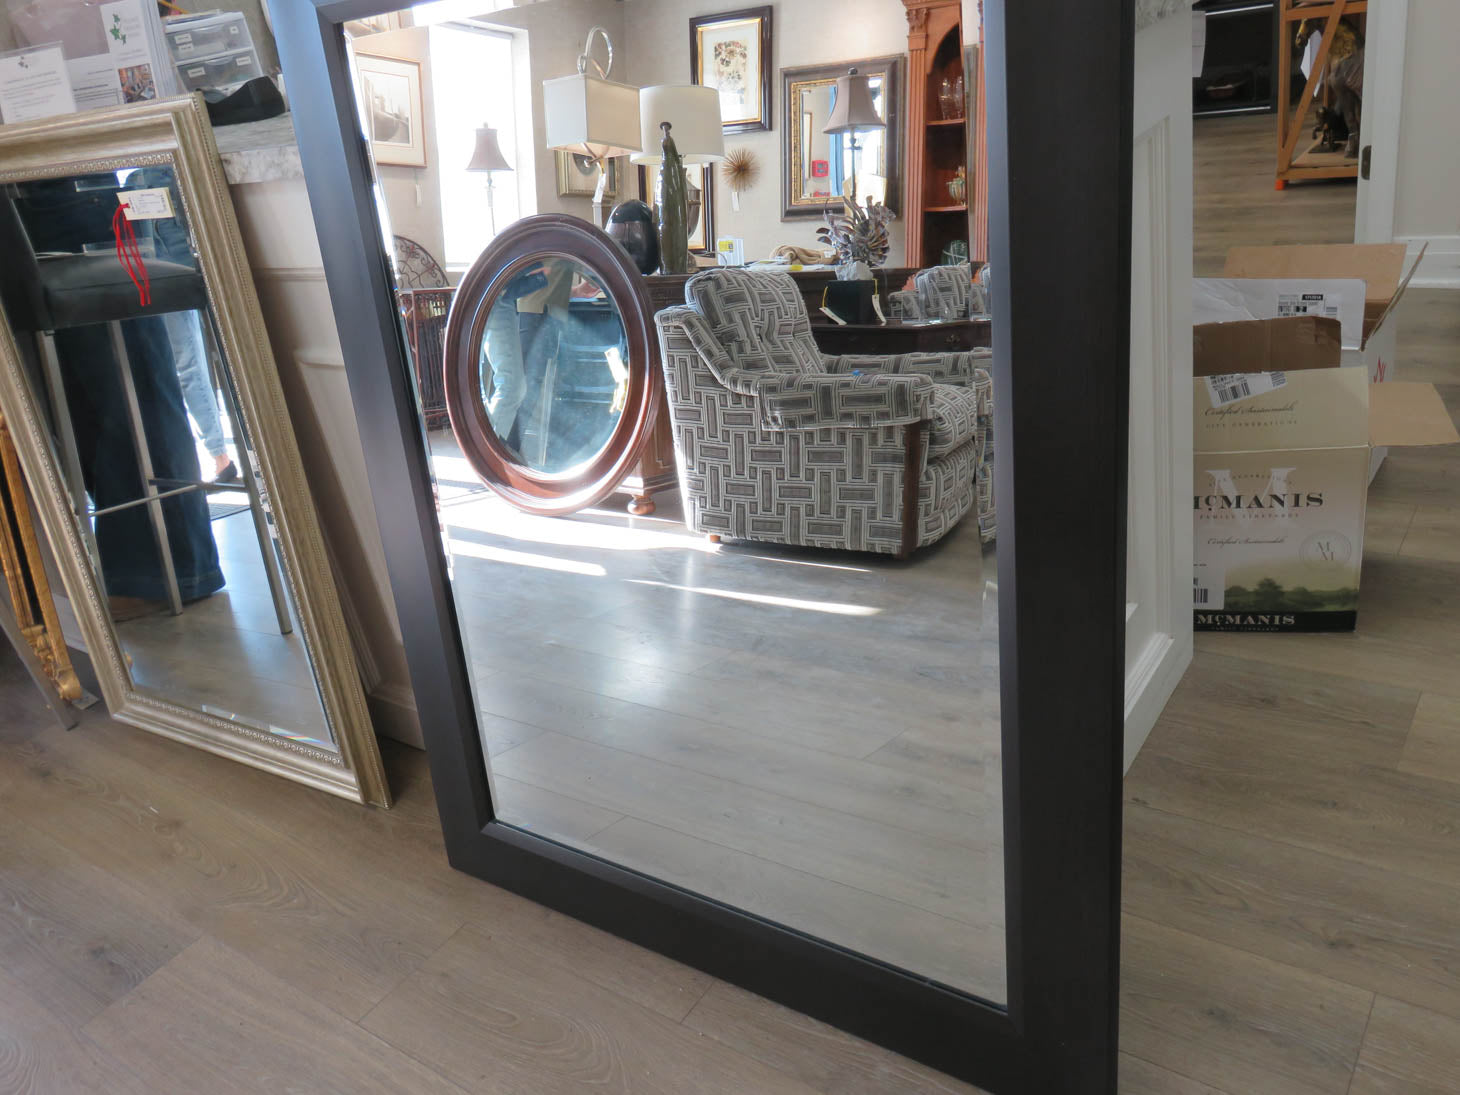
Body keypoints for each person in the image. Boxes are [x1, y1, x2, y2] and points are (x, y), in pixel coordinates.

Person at [5, 172, 224, 616]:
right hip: (27, 198)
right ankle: (141, 576)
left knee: (127, 393)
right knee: (67, 408)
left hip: (66, 188)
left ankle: (164, 576)